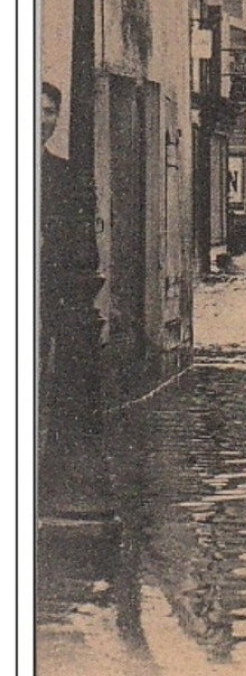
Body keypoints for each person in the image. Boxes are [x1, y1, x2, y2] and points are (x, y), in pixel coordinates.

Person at [39, 80, 106, 515]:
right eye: (37, 109)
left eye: (51, 112)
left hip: (49, 300)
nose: (44, 119)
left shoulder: (63, 176)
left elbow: (82, 251)